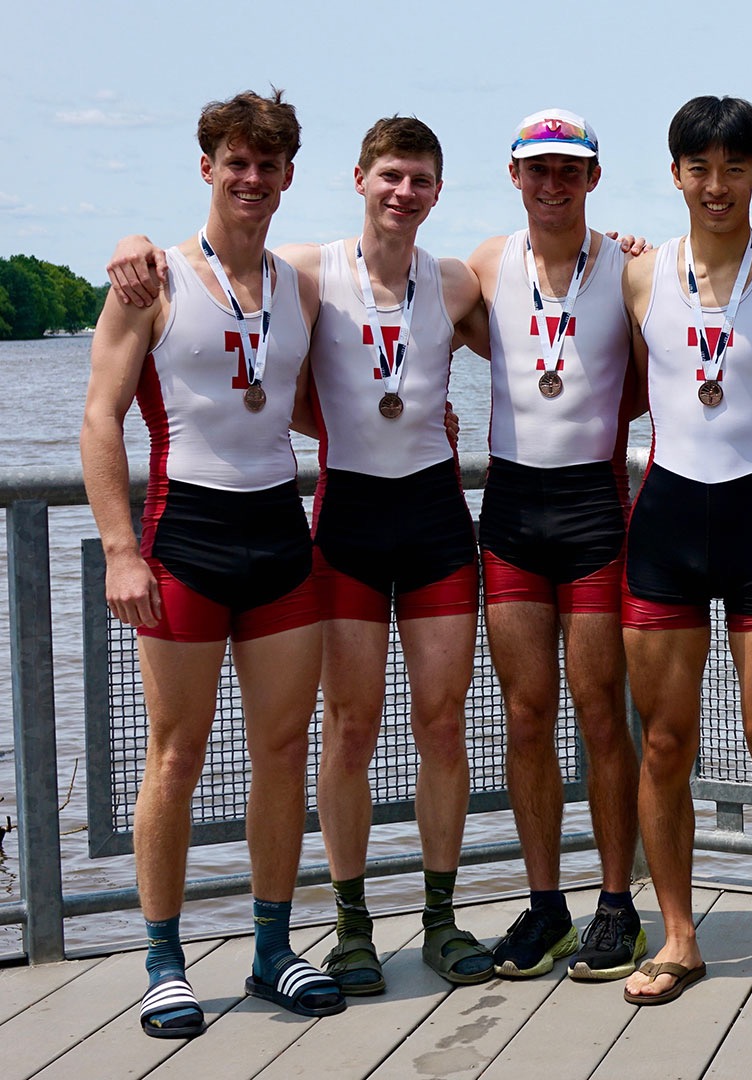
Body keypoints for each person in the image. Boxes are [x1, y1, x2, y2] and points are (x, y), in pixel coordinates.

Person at [103, 117, 498, 993]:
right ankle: (350, 928)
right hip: (341, 521)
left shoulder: (457, 281)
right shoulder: (308, 274)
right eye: (389, 175)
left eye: (420, 180)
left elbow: (554, 324)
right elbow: (235, 343)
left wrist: (622, 248)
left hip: (435, 519)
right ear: (357, 179)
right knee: (346, 729)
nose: (403, 193)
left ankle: (439, 919)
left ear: (439, 191)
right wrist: (134, 243)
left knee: (442, 725)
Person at [81, 89, 344, 1037]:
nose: (251, 178)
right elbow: (100, 417)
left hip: (279, 535)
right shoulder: (150, 280)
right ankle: (163, 960)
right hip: (183, 538)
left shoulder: (300, 285)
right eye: (236, 162)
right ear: (208, 168)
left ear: (287, 176)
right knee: (177, 753)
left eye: (268, 164)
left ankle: (273, 950)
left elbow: (304, 394)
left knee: (282, 750)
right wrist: (121, 551)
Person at [619, 95, 752, 1007]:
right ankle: (679, 936)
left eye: (733, 168)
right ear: (676, 174)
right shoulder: (634, 276)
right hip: (664, 528)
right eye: (699, 168)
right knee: (666, 744)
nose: (716, 185)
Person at [459, 108, 644, 981]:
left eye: (571, 169)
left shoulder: (631, 269)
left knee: (600, 711)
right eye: (539, 169)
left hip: (594, 508)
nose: (554, 183)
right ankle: (544, 907)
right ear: (515, 175)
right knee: (527, 714)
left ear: (593, 178)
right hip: (510, 510)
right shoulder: (485, 264)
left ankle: (617, 905)